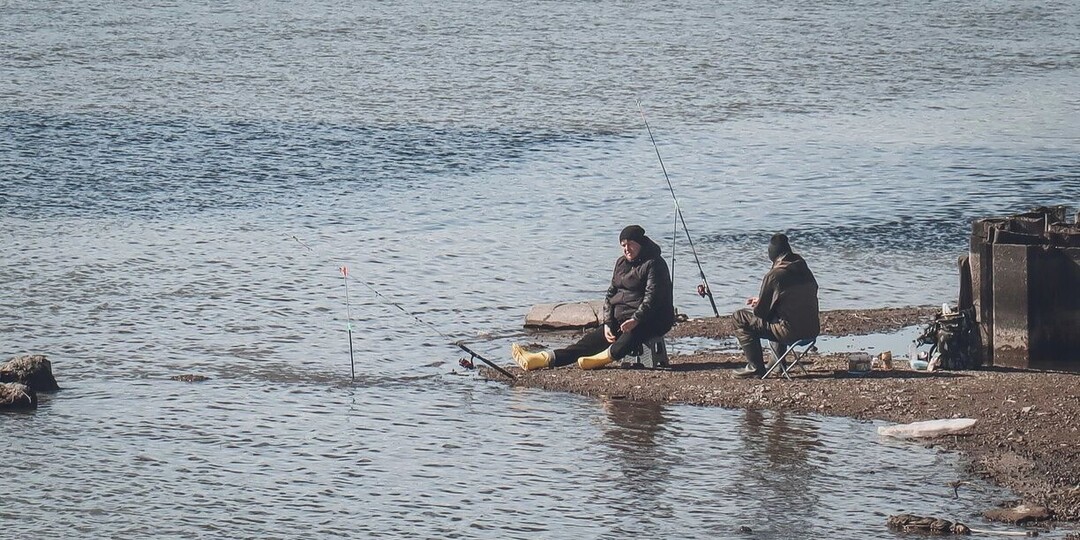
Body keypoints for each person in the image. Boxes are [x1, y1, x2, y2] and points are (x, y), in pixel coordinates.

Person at [511, 225, 675, 371]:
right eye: (623, 245)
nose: (627, 249)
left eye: (630, 244)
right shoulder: (621, 263)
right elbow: (610, 295)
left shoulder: (654, 263)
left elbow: (652, 298)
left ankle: (598, 360)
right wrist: (608, 323)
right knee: (585, 345)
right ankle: (540, 359)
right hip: (622, 319)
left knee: (626, 342)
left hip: (651, 319)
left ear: (640, 243)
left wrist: (635, 320)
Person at [732, 233, 819, 378]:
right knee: (781, 314)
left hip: (791, 332)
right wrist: (768, 300)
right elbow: (794, 299)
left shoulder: (774, 275)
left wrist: (760, 303)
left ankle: (755, 367)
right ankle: (778, 364)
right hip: (812, 330)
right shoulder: (804, 269)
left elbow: (761, 313)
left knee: (739, 317)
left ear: (772, 256)